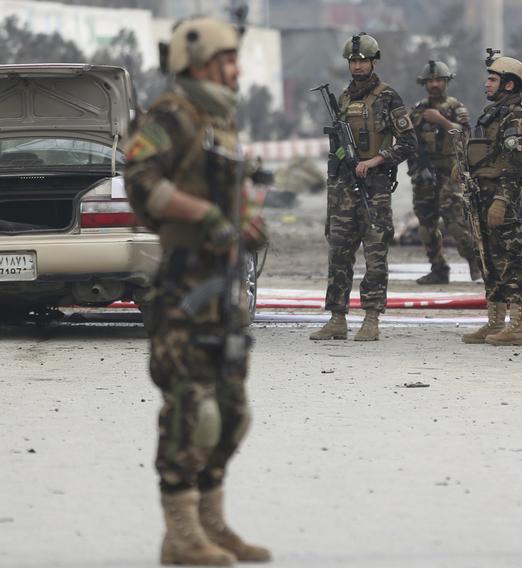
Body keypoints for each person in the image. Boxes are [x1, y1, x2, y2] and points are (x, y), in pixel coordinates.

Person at [124, 17, 271, 565]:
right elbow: (142, 181)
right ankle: (181, 536)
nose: (236, 70)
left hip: (222, 290)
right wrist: (205, 215)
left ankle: (212, 524)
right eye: (227, 59)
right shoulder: (170, 115)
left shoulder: (219, 120)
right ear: (199, 62)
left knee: (232, 413)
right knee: (193, 411)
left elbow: (234, 191)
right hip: (183, 290)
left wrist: (249, 220)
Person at [309, 33, 417, 342]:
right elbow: (338, 149)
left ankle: (371, 317)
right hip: (344, 187)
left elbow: (409, 142)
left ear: (373, 62)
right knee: (339, 253)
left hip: (375, 188)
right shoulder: (343, 99)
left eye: (362, 61)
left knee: (374, 253)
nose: (357, 66)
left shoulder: (388, 97)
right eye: (353, 61)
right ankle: (337, 318)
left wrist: (376, 161)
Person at [461, 55, 522, 347]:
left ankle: (518, 326)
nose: (487, 83)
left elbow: (514, 165)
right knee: (488, 258)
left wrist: (501, 200)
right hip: (481, 194)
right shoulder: (493, 114)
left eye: (493, 79)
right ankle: (495, 322)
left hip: (501, 197)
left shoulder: (516, 118)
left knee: (509, 259)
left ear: (509, 84)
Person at [408, 60, 480, 284]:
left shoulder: (456, 108)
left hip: (450, 173)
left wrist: (441, 120)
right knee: (426, 226)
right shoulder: (417, 111)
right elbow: (406, 140)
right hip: (423, 175)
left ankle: (475, 260)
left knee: (455, 222)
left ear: (446, 81)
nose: (435, 84)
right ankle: (438, 268)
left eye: (439, 80)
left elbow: (465, 136)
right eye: (430, 81)